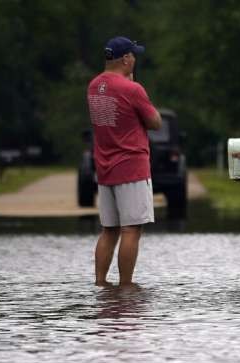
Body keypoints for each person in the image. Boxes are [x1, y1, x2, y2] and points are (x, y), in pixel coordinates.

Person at [87, 36, 162, 287]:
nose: (135, 60)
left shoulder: (93, 85)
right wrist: (135, 87)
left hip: (105, 167)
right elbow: (155, 122)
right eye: (134, 55)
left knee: (109, 230)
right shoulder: (133, 89)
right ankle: (126, 285)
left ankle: (100, 282)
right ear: (126, 59)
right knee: (131, 229)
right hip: (131, 166)